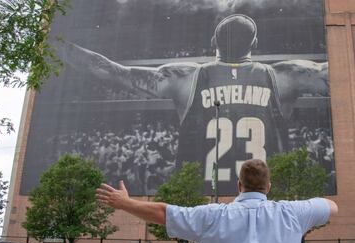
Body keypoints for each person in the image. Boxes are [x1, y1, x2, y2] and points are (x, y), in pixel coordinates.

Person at [57, 14, 329, 192]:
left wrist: (56, 42)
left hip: (198, 199)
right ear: (255, 43)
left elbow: (112, 71)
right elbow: (335, 72)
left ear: (213, 42)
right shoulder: (286, 76)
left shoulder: (184, 77)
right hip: (268, 200)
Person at [96, 159, 338, 243]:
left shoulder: (212, 217)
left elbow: (163, 213)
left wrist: (125, 203)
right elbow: (331, 207)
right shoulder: (292, 214)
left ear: (239, 185)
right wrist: (305, 224)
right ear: (269, 186)